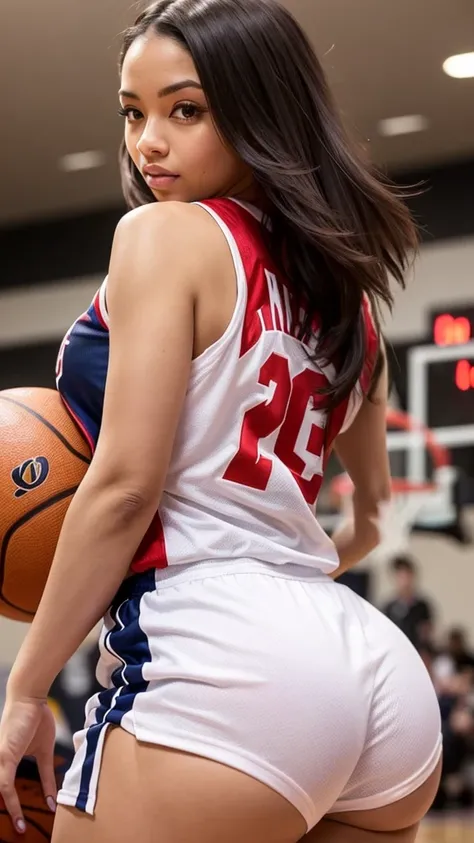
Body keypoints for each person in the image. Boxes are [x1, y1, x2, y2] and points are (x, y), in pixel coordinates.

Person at [0, 1, 442, 841]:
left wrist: (25, 687)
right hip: (372, 670)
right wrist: (272, 580)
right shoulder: (347, 299)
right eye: (133, 113)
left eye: (185, 109)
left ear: (261, 110)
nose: (148, 142)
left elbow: (125, 487)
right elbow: (374, 518)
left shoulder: (163, 236)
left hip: (221, 661)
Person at [383, 555, 435, 653]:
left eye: (407, 575)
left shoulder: (422, 606)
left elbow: (426, 634)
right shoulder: (389, 607)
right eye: (400, 576)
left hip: (416, 653)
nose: (404, 580)